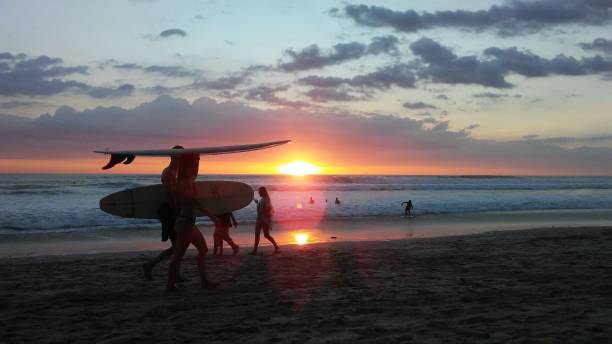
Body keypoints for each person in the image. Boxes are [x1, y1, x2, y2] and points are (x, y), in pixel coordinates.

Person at [167, 153, 220, 292]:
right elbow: (193, 201)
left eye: (196, 163)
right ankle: (170, 285)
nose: (195, 166)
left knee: (201, 250)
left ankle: (203, 281)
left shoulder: (188, 180)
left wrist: (198, 157)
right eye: (193, 163)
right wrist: (211, 216)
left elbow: (181, 202)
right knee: (180, 255)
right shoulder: (183, 183)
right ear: (187, 165)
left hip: (187, 222)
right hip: (186, 223)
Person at [142, 146, 189, 282]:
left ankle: (173, 272)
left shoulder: (174, 171)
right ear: (174, 156)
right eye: (182, 155)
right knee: (178, 246)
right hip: (170, 212)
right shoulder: (169, 173)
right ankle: (151, 265)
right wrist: (179, 214)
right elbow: (171, 196)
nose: (183, 158)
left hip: (171, 211)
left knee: (178, 246)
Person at [249, 186, 279, 255]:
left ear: (263, 192)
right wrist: (257, 203)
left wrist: (261, 210)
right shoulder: (262, 199)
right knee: (257, 234)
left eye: (259, 191)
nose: (259, 192)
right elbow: (262, 208)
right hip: (259, 219)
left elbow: (268, 210)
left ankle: (276, 246)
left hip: (265, 220)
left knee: (266, 235)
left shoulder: (266, 199)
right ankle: (255, 250)